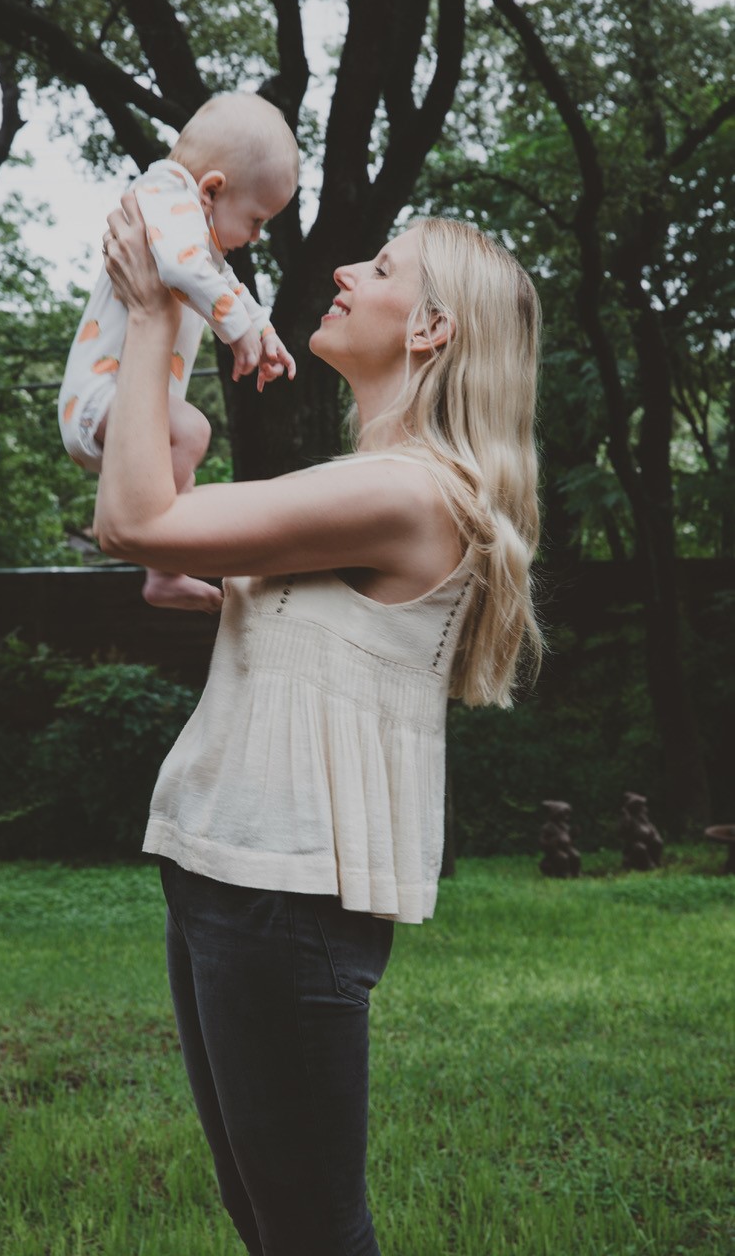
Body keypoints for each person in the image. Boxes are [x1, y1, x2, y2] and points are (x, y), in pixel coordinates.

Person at [93, 195, 543, 1256]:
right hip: (227, 872)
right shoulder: (369, 487)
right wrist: (220, 581)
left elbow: (133, 518)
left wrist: (157, 305)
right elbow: (175, 545)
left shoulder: (409, 491)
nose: (344, 272)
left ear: (430, 329)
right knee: (272, 1218)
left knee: (308, 1228)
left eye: (381, 269)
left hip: (283, 892)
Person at [58, 93, 299, 612]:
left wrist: (262, 329)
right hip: (102, 397)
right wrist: (236, 329)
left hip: (125, 406)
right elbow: (184, 270)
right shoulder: (165, 192)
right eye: (257, 220)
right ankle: (140, 529)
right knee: (194, 431)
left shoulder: (192, 225)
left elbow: (221, 278)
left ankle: (160, 572)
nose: (256, 237)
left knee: (182, 463)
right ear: (213, 188)